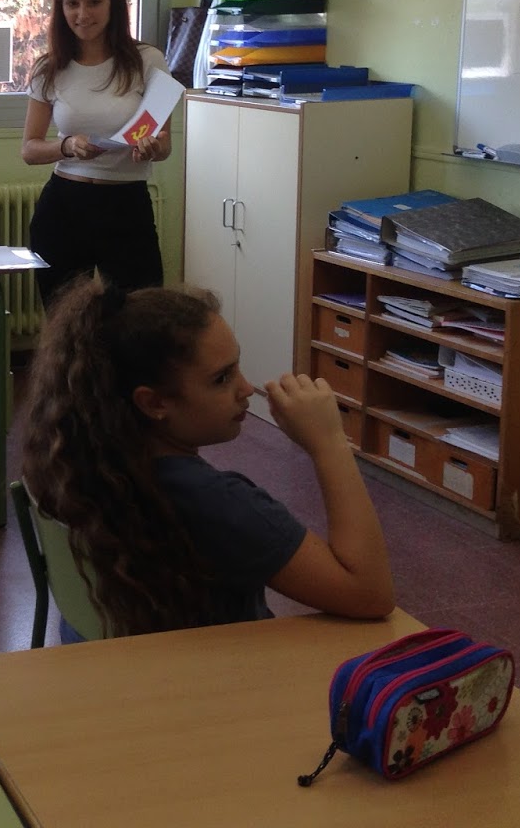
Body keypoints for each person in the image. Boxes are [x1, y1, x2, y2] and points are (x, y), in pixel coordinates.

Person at [20, 274, 394, 641]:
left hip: (117, 663)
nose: (246, 389)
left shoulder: (79, 462)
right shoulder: (216, 503)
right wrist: (329, 442)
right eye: (222, 379)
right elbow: (370, 593)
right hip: (211, 672)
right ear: (154, 403)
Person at [21, 0, 171, 307]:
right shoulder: (48, 68)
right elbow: (29, 149)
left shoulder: (148, 60)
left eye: (94, 1)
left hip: (126, 205)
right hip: (63, 208)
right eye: (71, 3)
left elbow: (165, 144)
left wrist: (153, 146)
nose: (82, 14)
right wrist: (68, 146)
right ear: (60, 7)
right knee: (68, 327)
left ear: (113, 2)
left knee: (141, 319)